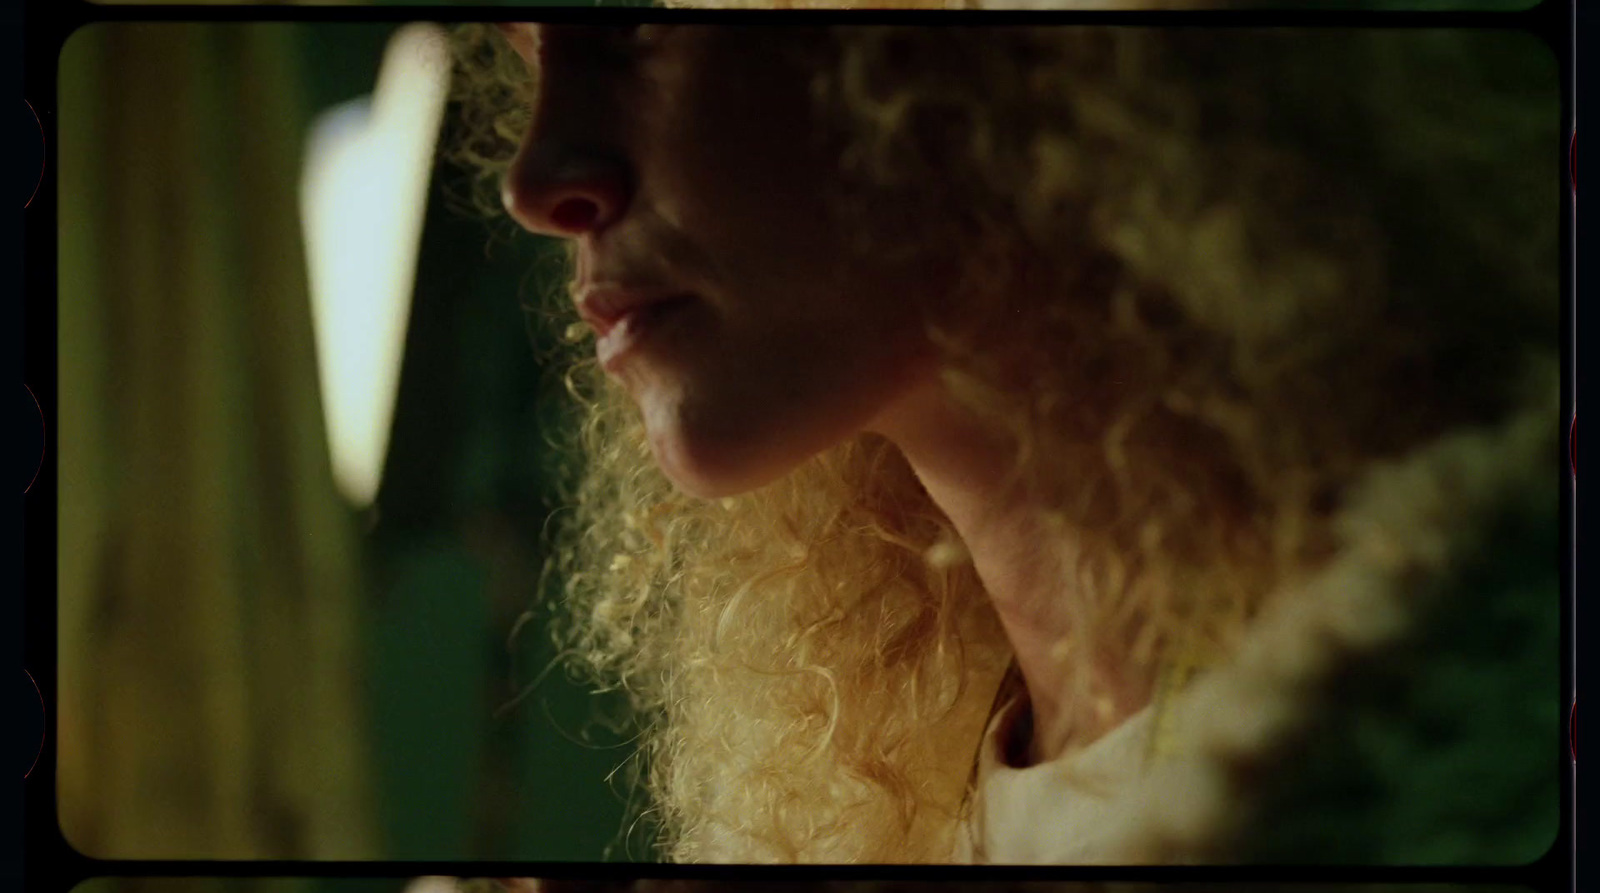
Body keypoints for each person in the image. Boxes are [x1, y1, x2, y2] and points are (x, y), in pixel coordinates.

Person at [448, 17, 1561, 864]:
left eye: (635, 25)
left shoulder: (1499, 715)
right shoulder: (920, 814)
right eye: (531, 56)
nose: (537, 183)